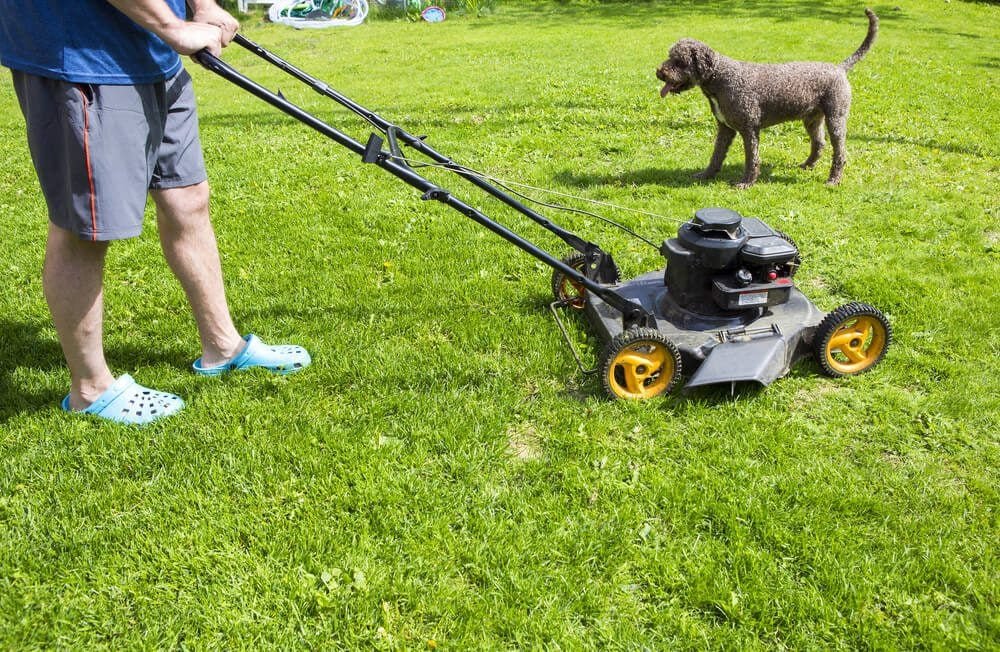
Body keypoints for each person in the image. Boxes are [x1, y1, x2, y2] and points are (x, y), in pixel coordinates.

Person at [0, 0, 311, 425]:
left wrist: (201, 6)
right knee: (85, 225)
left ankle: (222, 346)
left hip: (151, 52)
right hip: (83, 55)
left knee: (187, 198)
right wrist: (171, 26)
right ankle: (90, 389)